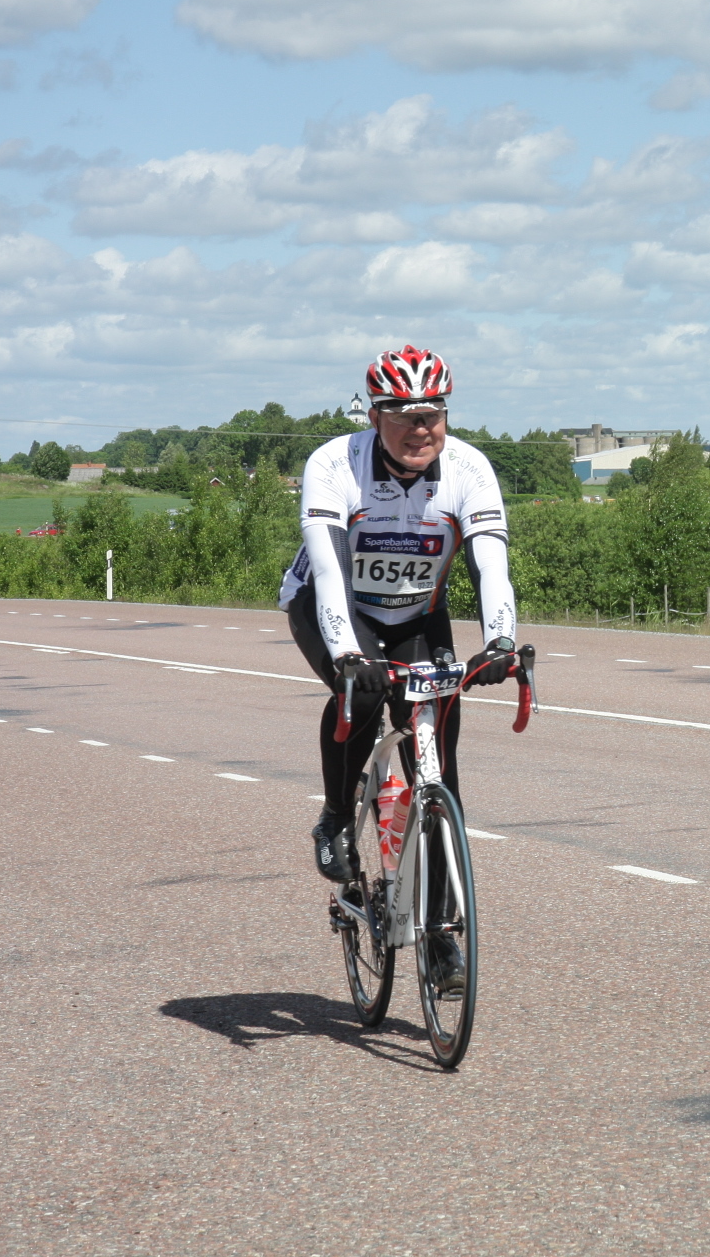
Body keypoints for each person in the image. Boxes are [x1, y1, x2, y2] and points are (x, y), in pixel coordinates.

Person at [279, 345, 520, 991]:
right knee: (358, 694)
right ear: (375, 417)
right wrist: (349, 656)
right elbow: (329, 571)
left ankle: (440, 936)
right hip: (333, 605)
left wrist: (501, 642)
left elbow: (491, 564)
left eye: (432, 415)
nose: (421, 429)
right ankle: (336, 816)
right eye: (404, 416)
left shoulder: (469, 469)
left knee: (436, 769)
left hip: (416, 614)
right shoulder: (335, 464)